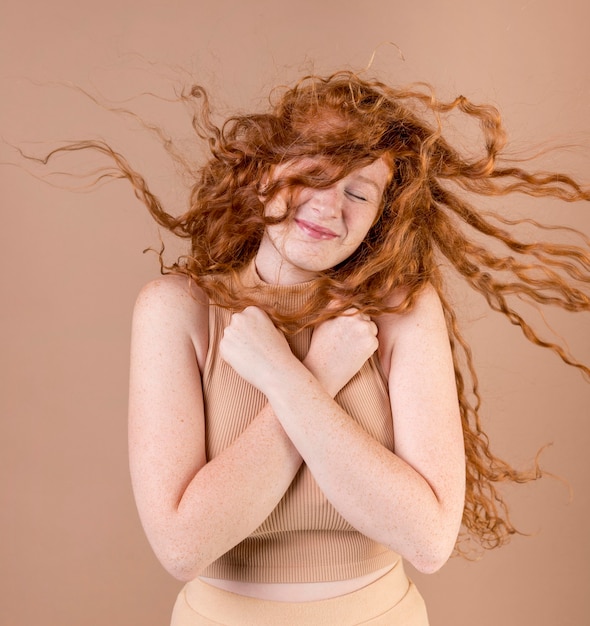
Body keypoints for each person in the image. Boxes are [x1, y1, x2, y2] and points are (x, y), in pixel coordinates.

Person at [37, 71, 590, 624]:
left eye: (358, 192)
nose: (330, 208)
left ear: (379, 219)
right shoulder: (177, 309)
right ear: (262, 173)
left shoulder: (403, 312)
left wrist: (284, 375)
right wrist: (317, 372)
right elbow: (183, 546)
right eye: (315, 175)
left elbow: (427, 539)